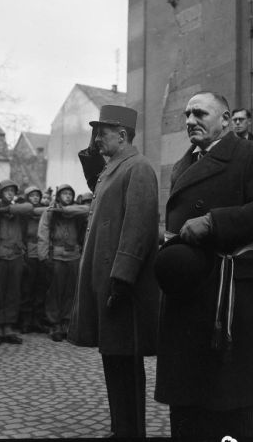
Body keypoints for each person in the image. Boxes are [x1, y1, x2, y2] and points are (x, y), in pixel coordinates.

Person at [154, 91, 253, 439]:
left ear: (227, 120)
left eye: (199, 113)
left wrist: (213, 222)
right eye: (186, 115)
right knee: (187, 401)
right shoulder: (185, 164)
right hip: (188, 292)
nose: (189, 121)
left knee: (229, 402)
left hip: (230, 298)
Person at [68, 105, 160, 438]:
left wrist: (122, 277)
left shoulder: (138, 168)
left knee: (125, 363)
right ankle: (122, 430)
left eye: (101, 133)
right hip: (107, 281)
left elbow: (138, 227)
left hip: (121, 285)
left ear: (122, 135)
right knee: (115, 360)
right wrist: (92, 150)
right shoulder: (115, 169)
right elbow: (97, 181)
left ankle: (130, 433)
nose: (96, 139)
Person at [0, 179, 35, 345]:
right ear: (0, 193)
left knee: (13, 293)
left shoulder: (18, 209)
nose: (10, 193)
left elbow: (29, 207)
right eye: (6, 190)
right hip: (0, 255)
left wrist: (9, 209)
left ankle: (9, 326)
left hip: (16, 256)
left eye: (12, 190)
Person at [38, 184, 89, 342]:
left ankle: (67, 322)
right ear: (58, 196)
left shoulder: (76, 211)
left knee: (70, 291)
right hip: (57, 256)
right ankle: (54, 323)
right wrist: (44, 256)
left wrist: (66, 210)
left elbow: (88, 209)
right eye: (64, 194)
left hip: (73, 256)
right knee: (55, 291)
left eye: (69, 194)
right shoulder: (51, 213)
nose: (67, 196)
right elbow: (43, 233)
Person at [19, 185, 49, 334]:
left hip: (42, 255)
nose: (35, 198)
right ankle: (25, 320)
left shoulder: (45, 213)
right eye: (32, 196)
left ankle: (37, 320)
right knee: (27, 289)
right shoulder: (24, 215)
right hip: (29, 255)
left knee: (40, 288)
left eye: (37, 195)